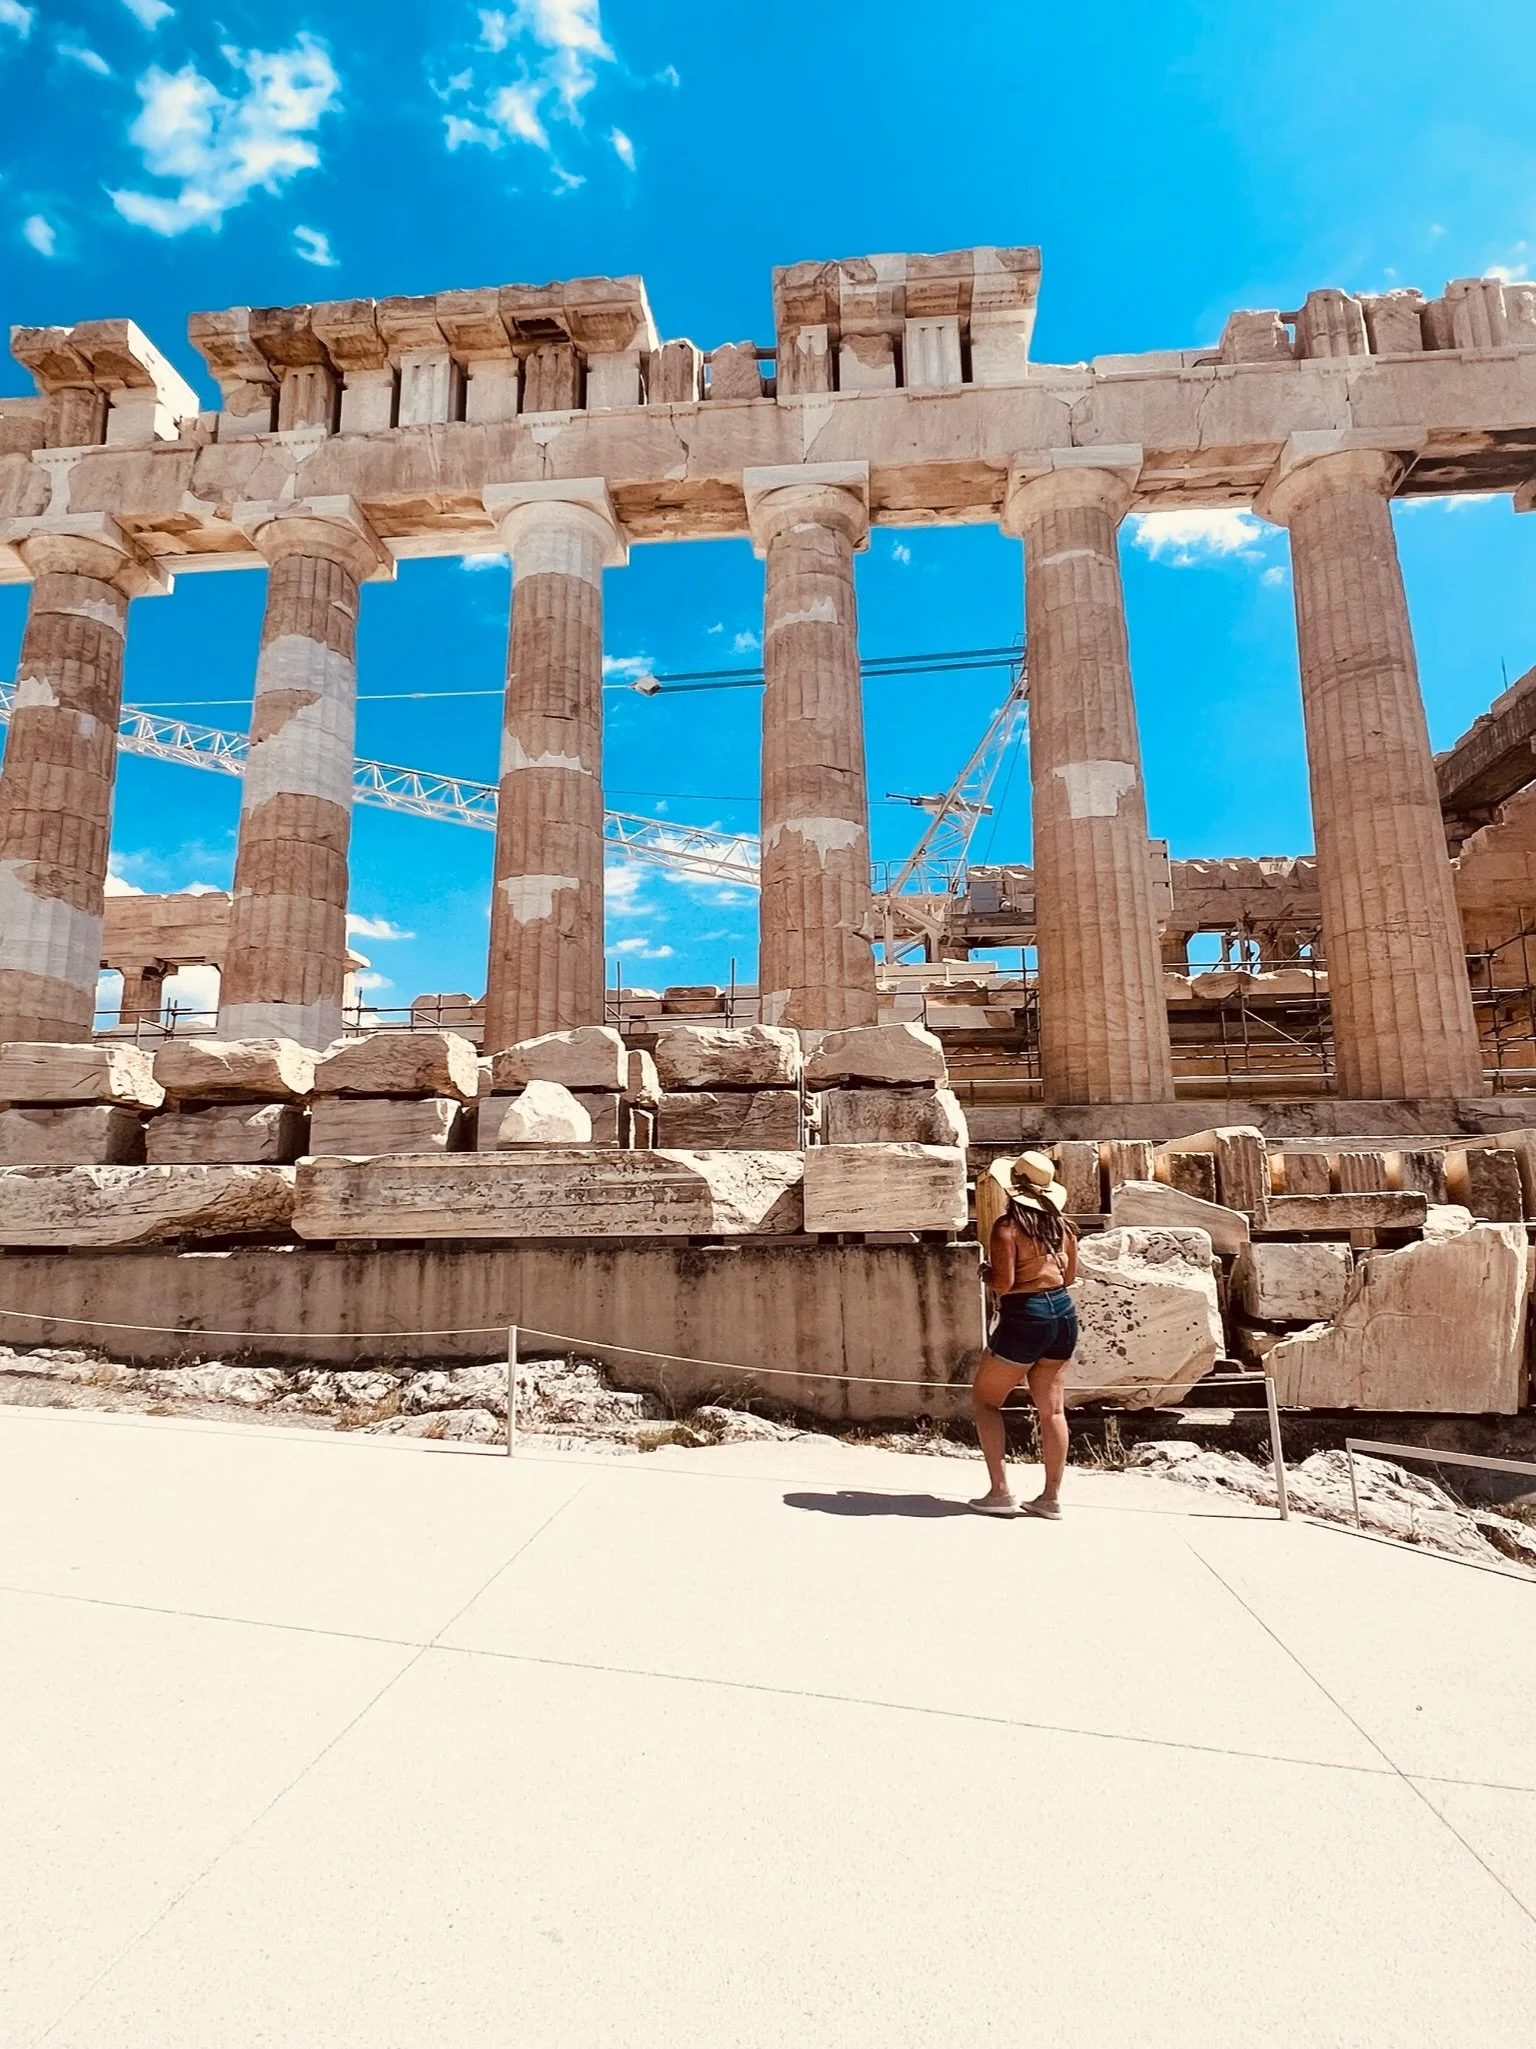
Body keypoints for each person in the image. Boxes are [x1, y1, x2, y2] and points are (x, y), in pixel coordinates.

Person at [969, 1152, 1079, 1519]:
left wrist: (986, 1272)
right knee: (1053, 1410)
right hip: (1063, 1312)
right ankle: (1051, 1496)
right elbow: (1070, 1276)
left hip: (1025, 1314)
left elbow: (1005, 1282)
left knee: (985, 1401)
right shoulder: (1062, 1227)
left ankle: (999, 1490)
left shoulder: (1007, 1228)